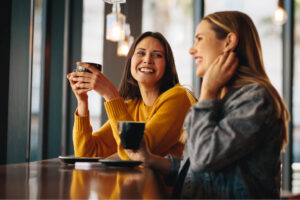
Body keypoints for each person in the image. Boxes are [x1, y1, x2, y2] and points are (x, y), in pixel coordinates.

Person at [126, 11, 290, 199]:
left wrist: (207, 92)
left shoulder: (255, 100)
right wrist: (151, 160)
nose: (192, 49)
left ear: (228, 42)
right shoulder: (223, 99)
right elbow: (196, 170)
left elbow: (204, 158)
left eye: (200, 39)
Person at [67, 31, 196, 160]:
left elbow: (136, 153)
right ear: (130, 62)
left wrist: (111, 95)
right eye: (141, 53)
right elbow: (87, 154)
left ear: (167, 65)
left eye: (157, 55)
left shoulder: (179, 97)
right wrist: (82, 101)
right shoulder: (131, 107)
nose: (147, 60)